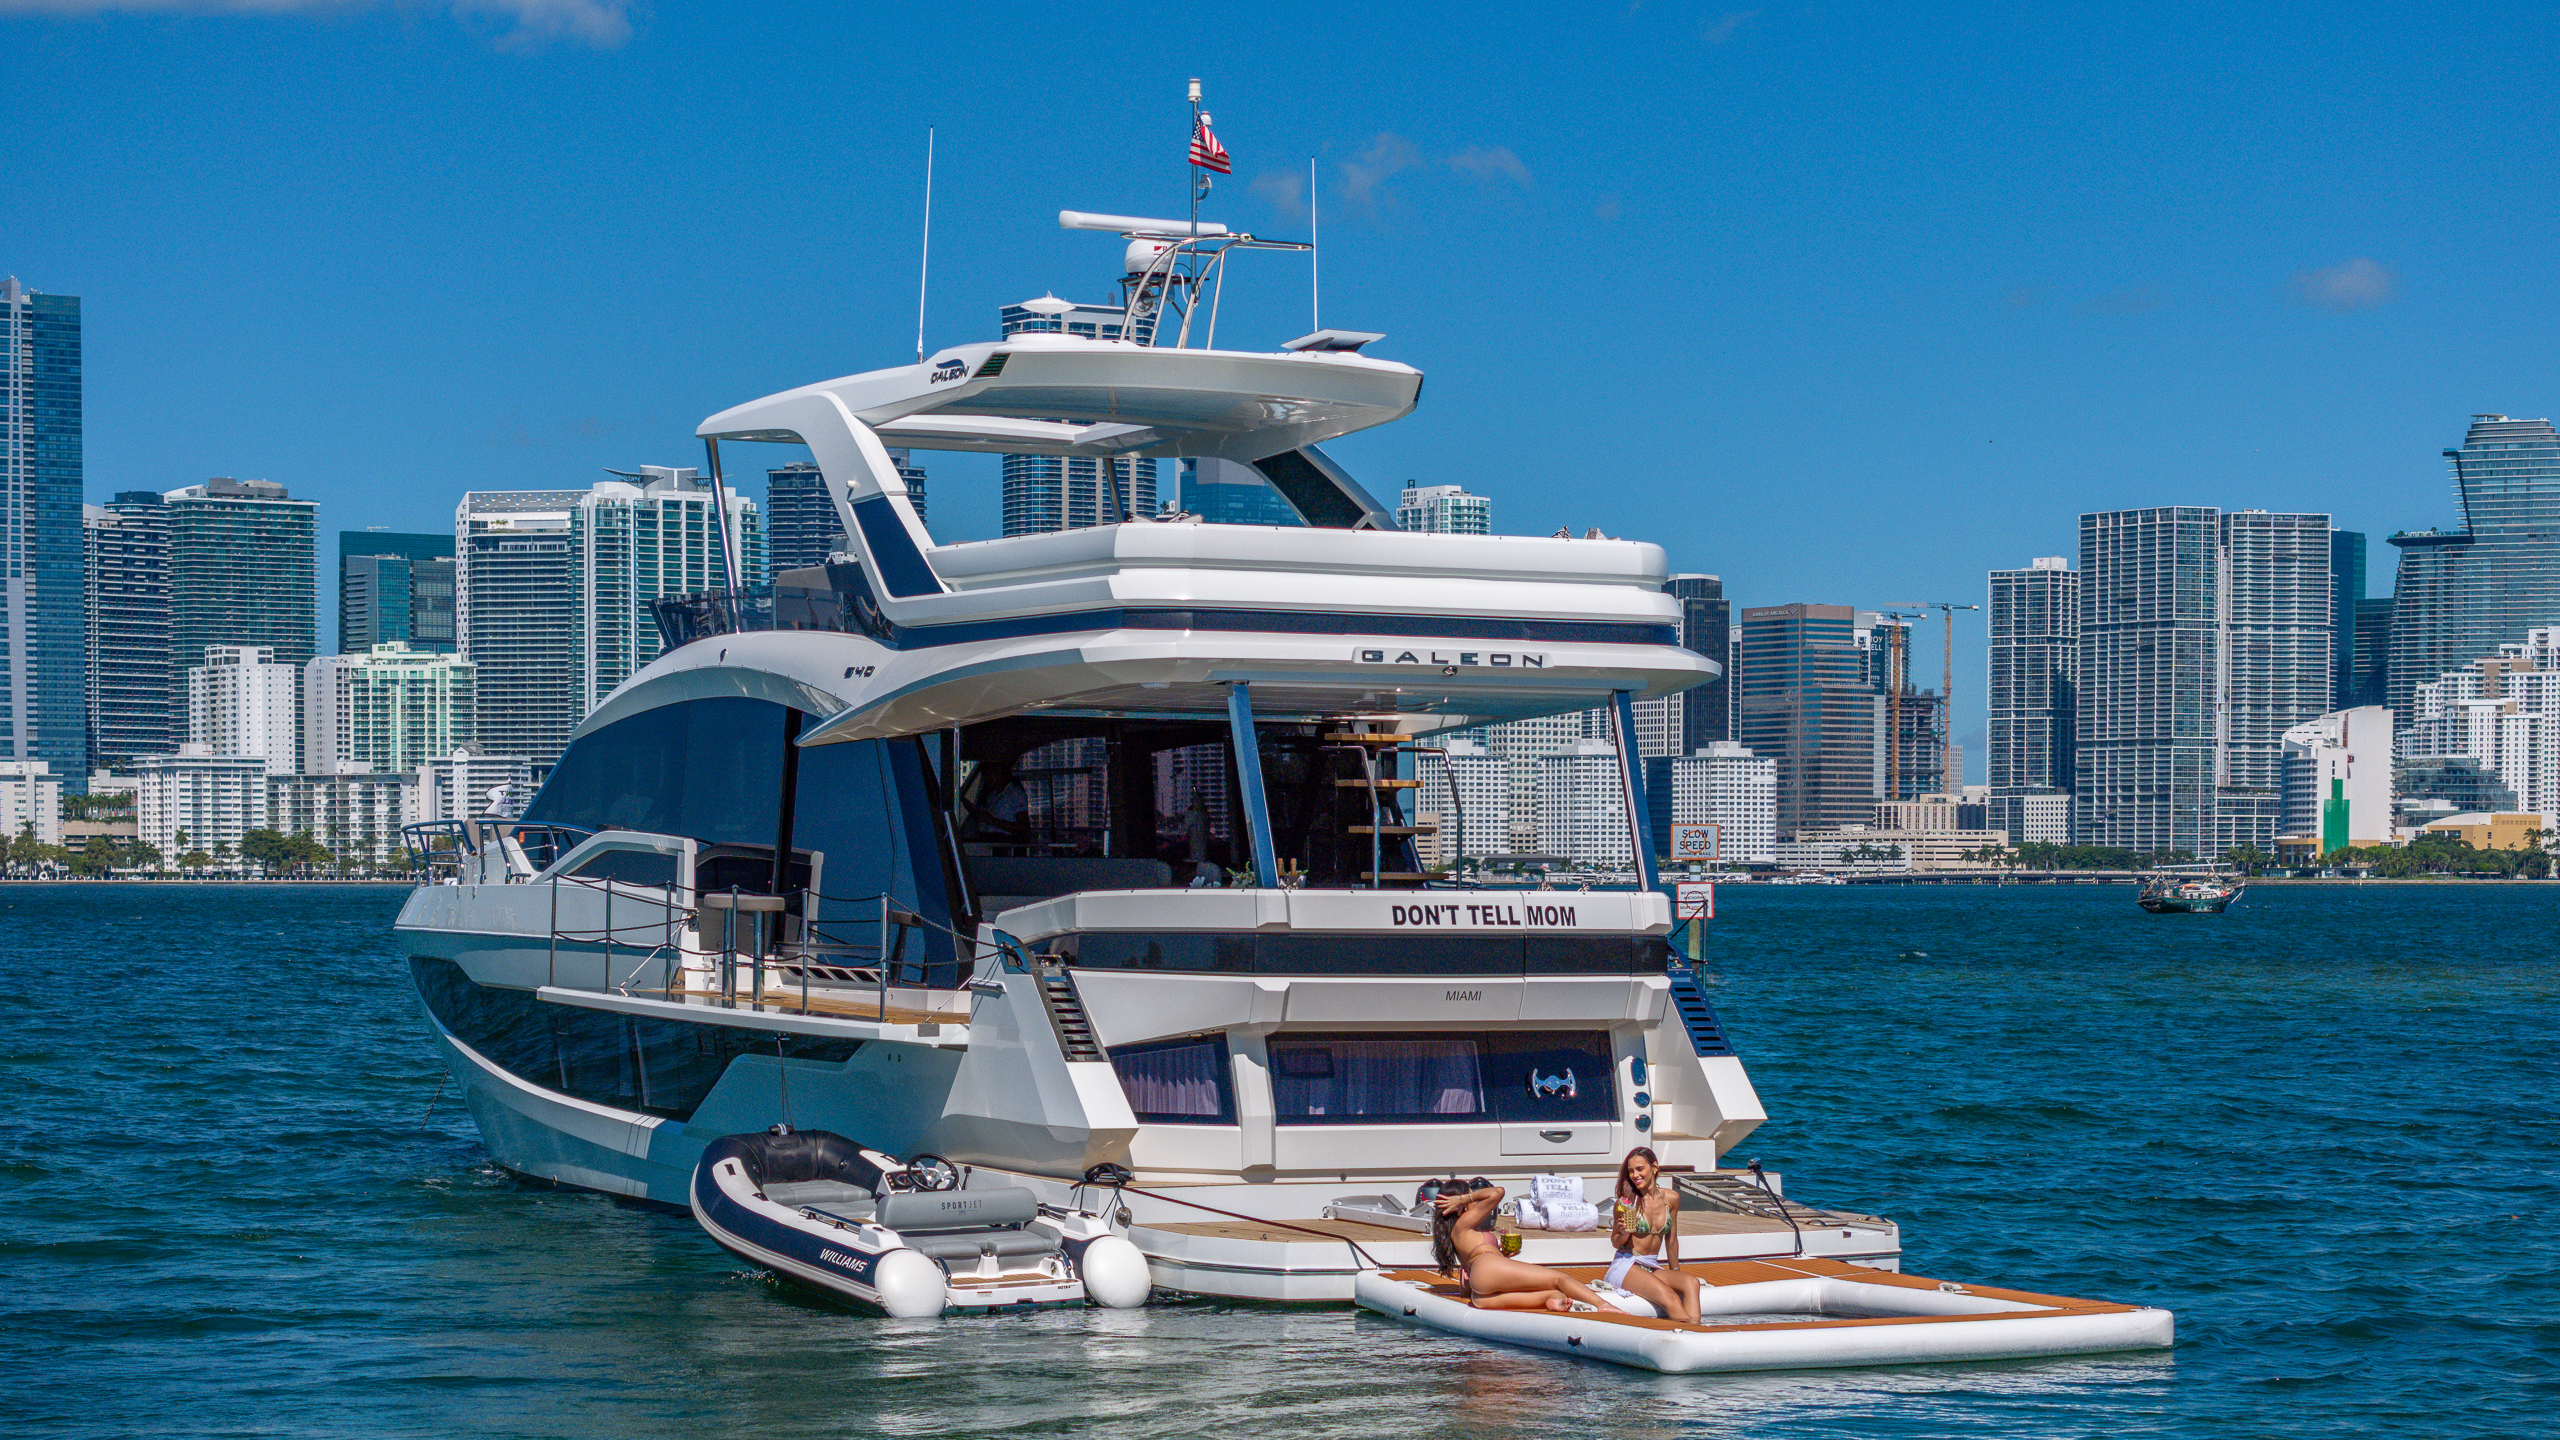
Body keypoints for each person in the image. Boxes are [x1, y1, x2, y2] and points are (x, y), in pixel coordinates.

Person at [1430, 1179, 1610, 1313]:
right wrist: (1464, 1198)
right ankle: (1603, 1305)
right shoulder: (1463, 1222)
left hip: (1480, 1290)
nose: (1474, 1201)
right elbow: (1497, 1192)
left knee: (1550, 1290)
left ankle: (1553, 1299)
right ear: (1459, 1205)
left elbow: (1470, 1273)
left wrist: (1502, 1256)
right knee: (1559, 1279)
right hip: (1488, 1267)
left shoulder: (1455, 1232)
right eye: (1471, 1198)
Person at [1605, 1146, 1704, 1323]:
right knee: (1671, 1298)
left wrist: (1675, 1274)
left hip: (1651, 1266)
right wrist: (1625, 1233)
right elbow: (1615, 1241)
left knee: (1691, 1283)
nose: (1635, 1175)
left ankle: (1696, 1329)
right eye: (1631, 1171)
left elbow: (1671, 1240)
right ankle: (1691, 1333)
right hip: (1627, 1264)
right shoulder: (1627, 1202)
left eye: (1639, 1169)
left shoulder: (1671, 1199)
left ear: (1654, 1167)